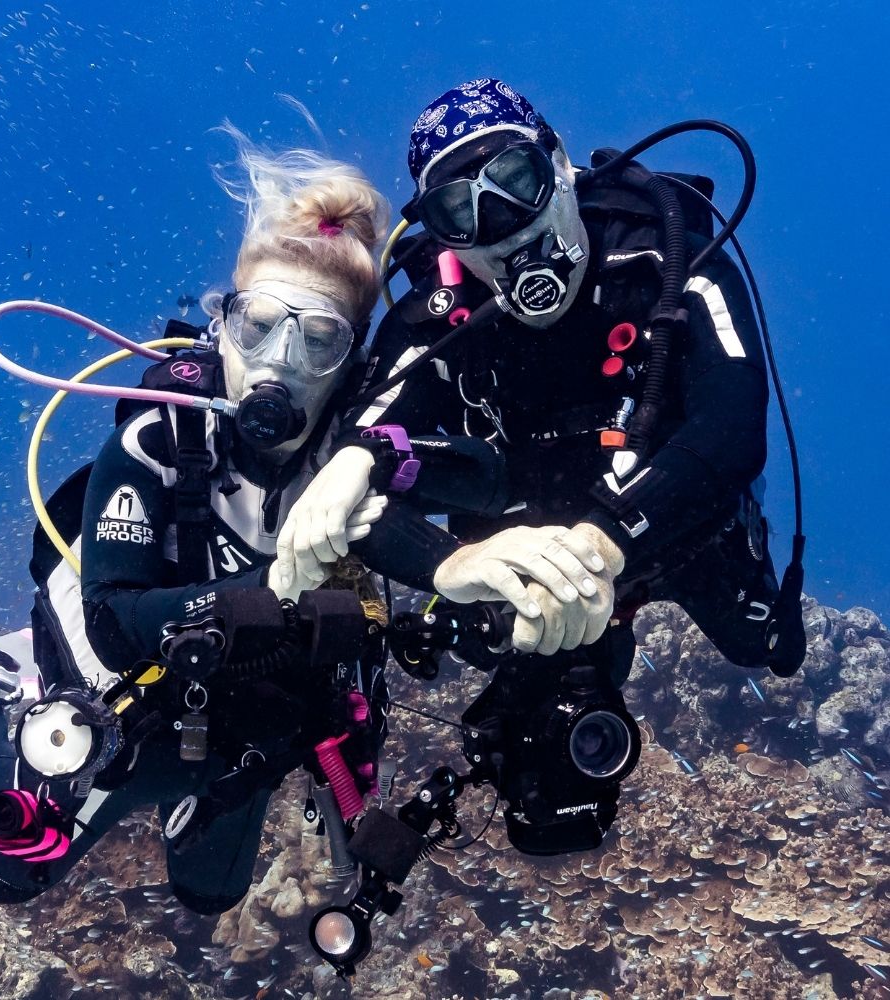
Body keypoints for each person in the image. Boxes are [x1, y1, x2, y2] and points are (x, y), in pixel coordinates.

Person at [274, 79, 807, 852]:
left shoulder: (665, 253)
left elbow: (732, 426)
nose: (503, 230)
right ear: (446, 238)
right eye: (463, 210)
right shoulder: (442, 312)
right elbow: (363, 447)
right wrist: (434, 544)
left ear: (558, 166)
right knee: (527, 714)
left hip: (669, 514)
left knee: (766, 650)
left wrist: (603, 545)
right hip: (523, 544)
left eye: (515, 183)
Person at [0, 140, 396, 913]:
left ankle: (198, 795)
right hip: (125, 679)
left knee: (210, 897)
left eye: (318, 337)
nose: (279, 361)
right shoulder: (160, 439)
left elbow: (370, 659)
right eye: (258, 324)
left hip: (241, 716)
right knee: (10, 868)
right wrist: (267, 596)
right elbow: (118, 623)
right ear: (221, 325)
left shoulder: (362, 461)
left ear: (351, 359)